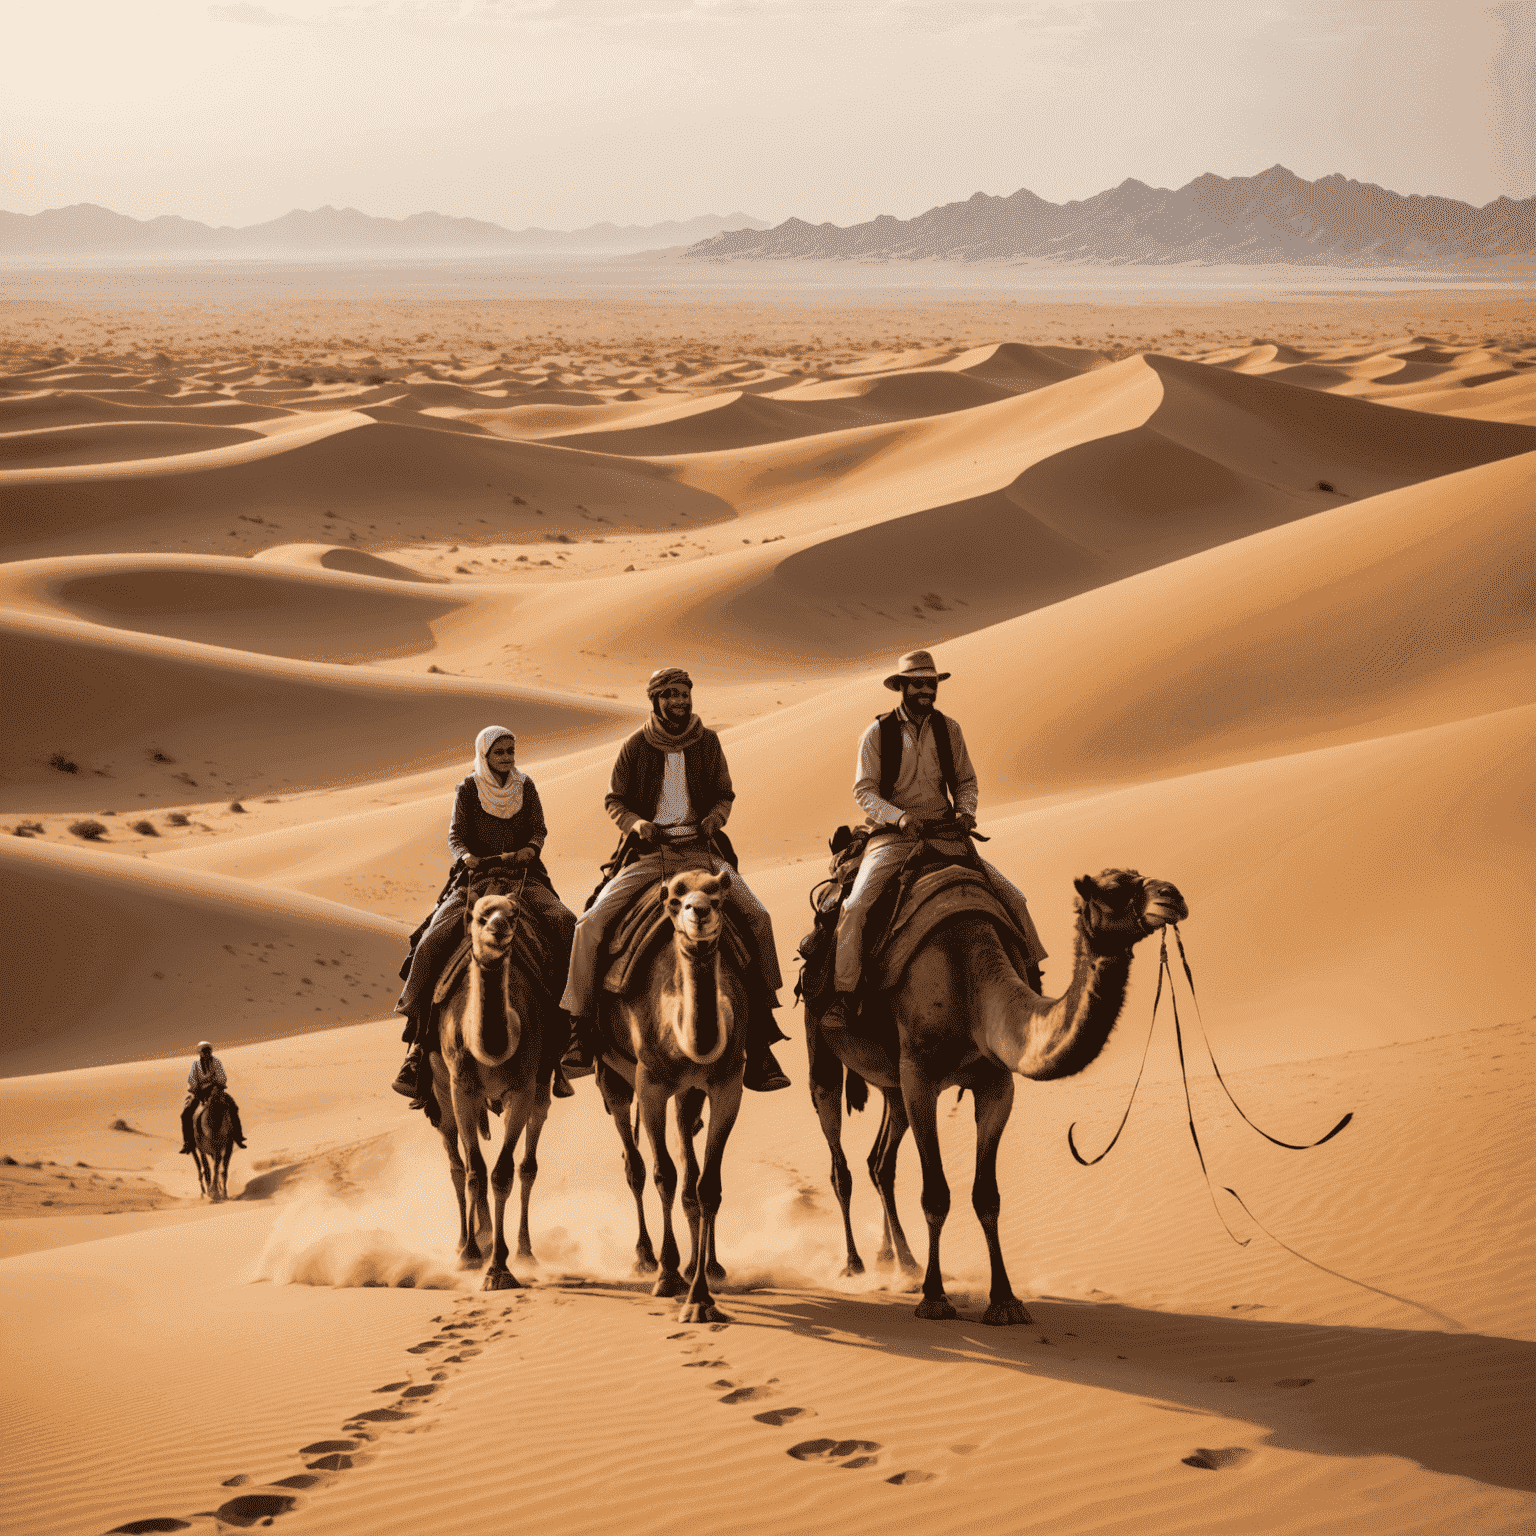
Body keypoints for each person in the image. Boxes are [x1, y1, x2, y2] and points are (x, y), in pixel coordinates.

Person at [560, 666, 790, 1092]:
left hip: (702, 853)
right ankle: (580, 1029)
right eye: (670, 695)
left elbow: (724, 792)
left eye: (684, 694)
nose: (679, 702)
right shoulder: (635, 746)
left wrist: (716, 818)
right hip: (650, 855)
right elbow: (615, 799)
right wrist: (635, 823)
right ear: (655, 701)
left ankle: (761, 1030)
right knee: (589, 925)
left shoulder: (708, 742)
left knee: (758, 917)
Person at [820, 649, 1048, 1029]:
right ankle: (845, 996)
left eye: (931, 683)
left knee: (1013, 898)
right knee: (856, 907)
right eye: (918, 683)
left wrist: (966, 811)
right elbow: (864, 791)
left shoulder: (949, 729)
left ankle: (1031, 984)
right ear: (902, 687)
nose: (926, 690)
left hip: (945, 834)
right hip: (893, 838)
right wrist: (900, 817)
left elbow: (965, 781)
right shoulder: (877, 733)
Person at [392, 725, 578, 1106]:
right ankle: (416, 1042)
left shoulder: (525, 787)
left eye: (511, 750)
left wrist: (531, 848)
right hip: (475, 881)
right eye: (500, 752)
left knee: (565, 924)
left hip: (523, 879)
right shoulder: (467, 789)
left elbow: (538, 829)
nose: (508, 758)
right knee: (431, 939)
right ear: (485, 755)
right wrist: (465, 856)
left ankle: (575, 1029)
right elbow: (456, 835)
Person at [180, 1041, 246, 1152]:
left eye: (208, 1051)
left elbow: (222, 1077)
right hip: (199, 1093)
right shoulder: (195, 1065)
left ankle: (237, 1136)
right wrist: (196, 1089)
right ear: (200, 1053)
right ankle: (189, 1142)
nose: (206, 1053)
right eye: (203, 1051)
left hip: (216, 1091)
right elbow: (191, 1080)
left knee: (233, 1107)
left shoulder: (216, 1062)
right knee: (186, 1114)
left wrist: (216, 1086)